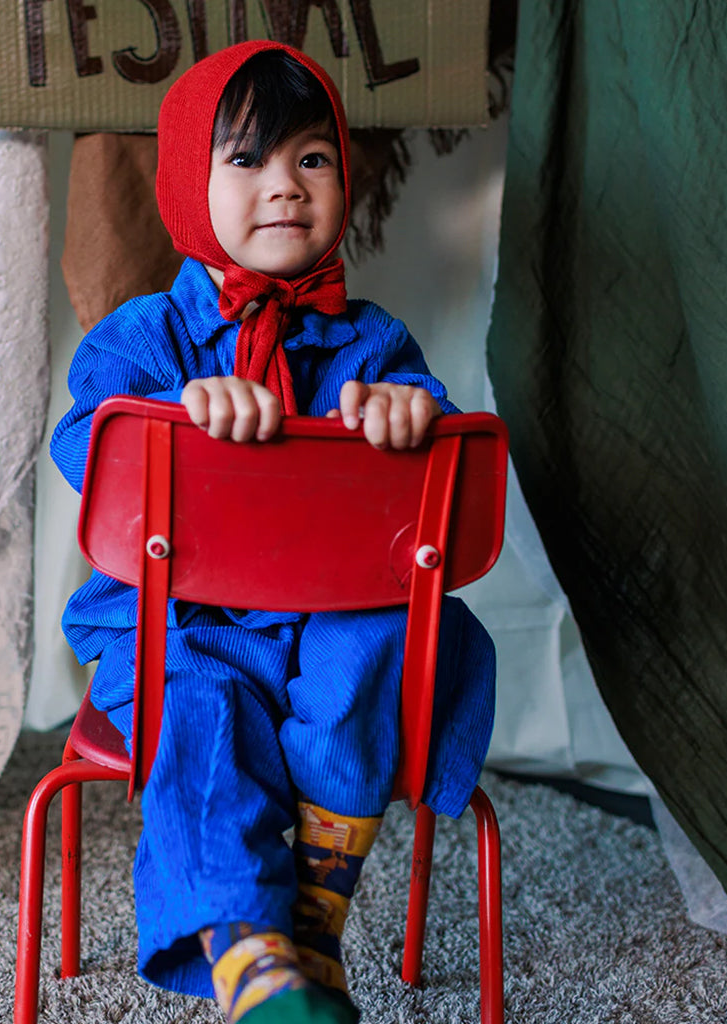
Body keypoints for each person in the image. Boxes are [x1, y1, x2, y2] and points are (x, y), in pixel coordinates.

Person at [51, 40, 496, 1024]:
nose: (285, 186)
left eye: (312, 158)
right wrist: (177, 414)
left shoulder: (370, 343)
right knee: (198, 711)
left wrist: (402, 416)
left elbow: (433, 495)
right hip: (179, 628)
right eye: (245, 160)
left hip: (321, 626)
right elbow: (92, 457)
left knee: (384, 638)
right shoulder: (138, 337)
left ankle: (314, 912)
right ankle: (250, 951)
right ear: (185, 186)